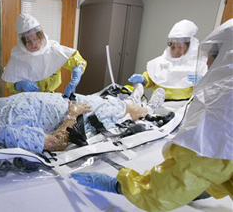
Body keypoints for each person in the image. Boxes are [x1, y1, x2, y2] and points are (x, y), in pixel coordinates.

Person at [71, 19, 233, 211]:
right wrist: (141, 82)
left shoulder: (221, 109)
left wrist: (123, 185)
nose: (207, 61)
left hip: (179, 110)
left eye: (181, 47)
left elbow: (191, 168)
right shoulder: (165, 63)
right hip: (160, 107)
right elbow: (153, 77)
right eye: (173, 46)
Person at [0, 85, 166, 154]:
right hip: (78, 112)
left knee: (105, 99)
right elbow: (57, 143)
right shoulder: (8, 133)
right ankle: (148, 108)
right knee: (114, 107)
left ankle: (136, 99)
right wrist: (73, 113)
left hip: (70, 99)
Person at [2, 14, 87, 97]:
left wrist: (77, 73)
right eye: (28, 41)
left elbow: (75, 60)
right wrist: (18, 85)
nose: (33, 44)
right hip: (26, 98)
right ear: (22, 43)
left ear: (41, 36)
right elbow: (9, 81)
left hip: (49, 97)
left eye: (36, 39)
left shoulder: (53, 50)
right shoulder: (18, 56)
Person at [128, 19, 208, 100]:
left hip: (182, 108)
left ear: (189, 48)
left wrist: (202, 83)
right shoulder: (161, 62)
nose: (176, 51)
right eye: (173, 47)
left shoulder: (197, 66)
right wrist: (143, 80)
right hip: (158, 105)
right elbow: (151, 79)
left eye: (180, 47)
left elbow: (206, 95)